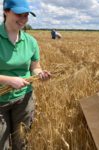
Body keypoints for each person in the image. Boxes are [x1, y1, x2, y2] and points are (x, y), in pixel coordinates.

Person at [0, 0, 51, 149]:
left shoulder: (31, 42)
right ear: (6, 11)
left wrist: (40, 74)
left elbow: (35, 67)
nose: (23, 19)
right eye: (18, 14)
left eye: (26, 15)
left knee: (21, 143)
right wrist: (9, 80)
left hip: (24, 99)